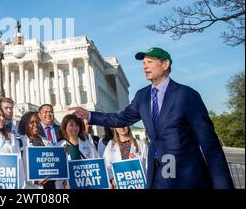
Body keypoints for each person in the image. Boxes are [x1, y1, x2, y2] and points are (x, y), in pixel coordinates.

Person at [70, 47, 234, 189]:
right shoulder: (143, 96)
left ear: (165, 64)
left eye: (150, 62)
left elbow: (209, 144)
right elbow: (121, 118)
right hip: (157, 175)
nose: (145, 66)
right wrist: (90, 115)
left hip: (185, 174)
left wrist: (222, 184)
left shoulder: (186, 95)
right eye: (143, 63)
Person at [56, 114, 99, 189]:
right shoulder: (58, 146)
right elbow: (57, 170)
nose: (75, 128)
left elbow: (97, 161)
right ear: (65, 127)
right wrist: (63, 181)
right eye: (71, 125)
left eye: (77, 125)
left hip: (88, 183)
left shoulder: (87, 143)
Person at [17, 111, 54, 189]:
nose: (35, 125)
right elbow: (19, 167)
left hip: (49, 185)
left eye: (37, 122)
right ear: (25, 124)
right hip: (30, 186)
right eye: (32, 122)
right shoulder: (20, 142)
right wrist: (34, 181)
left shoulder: (47, 142)